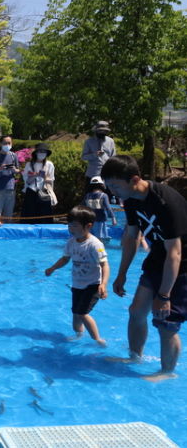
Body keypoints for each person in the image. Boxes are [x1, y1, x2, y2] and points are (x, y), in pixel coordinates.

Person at [101, 155, 187, 381]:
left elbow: (176, 253)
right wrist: (121, 274)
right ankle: (134, 356)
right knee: (136, 311)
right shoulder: (130, 199)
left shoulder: (165, 202)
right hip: (159, 256)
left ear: (135, 179)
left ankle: (167, 372)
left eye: (115, 186)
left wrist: (165, 294)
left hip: (182, 265)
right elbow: (131, 237)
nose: (112, 191)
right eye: (109, 186)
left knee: (166, 322)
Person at [45, 206, 109, 346]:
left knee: (82, 313)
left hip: (93, 285)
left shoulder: (95, 244)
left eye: (75, 225)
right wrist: (53, 268)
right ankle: (79, 335)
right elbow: (65, 259)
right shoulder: (71, 243)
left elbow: (105, 265)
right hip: (77, 284)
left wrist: (103, 284)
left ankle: (97, 339)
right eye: (69, 225)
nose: (71, 228)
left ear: (89, 226)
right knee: (75, 313)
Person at [21, 143, 56, 224]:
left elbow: (51, 180)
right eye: (40, 151)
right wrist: (35, 175)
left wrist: (45, 177)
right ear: (36, 153)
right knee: (30, 217)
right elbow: (27, 181)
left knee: (45, 218)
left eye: (44, 152)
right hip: (31, 192)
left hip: (44, 192)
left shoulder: (49, 164)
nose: (42, 153)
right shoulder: (29, 164)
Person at [83, 176, 117, 242]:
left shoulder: (88, 195)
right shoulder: (103, 195)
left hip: (89, 221)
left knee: (90, 239)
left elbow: (82, 207)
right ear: (102, 185)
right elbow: (108, 208)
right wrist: (113, 217)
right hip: (100, 222)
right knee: (100, 240)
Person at [82, 121, 116, 185]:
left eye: (104, 131)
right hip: (92, 174)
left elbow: (114, 157)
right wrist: (94, 155)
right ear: (95, 131)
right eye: (100, 131)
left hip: (107, 174)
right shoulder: (89, 142)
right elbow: (83, 157)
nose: (102, 133)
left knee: (107, 194)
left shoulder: (111, 141)